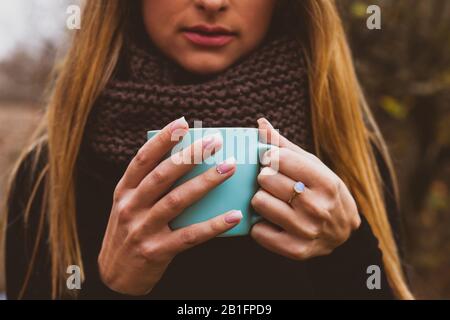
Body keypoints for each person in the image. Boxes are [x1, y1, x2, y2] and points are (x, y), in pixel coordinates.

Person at [3, 0, 414, 299]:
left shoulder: (350, 157)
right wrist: (115, 287)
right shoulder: (49, 174)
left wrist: (345, 253)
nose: (213, 3)